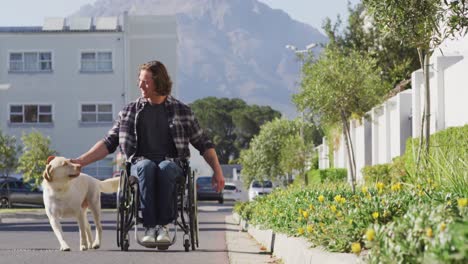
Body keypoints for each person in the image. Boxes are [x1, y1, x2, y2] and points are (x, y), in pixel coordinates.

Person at [72, 60, 225, 244]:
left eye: (146, 81)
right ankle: (150, 227)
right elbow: (108, 142)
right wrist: (80, 161)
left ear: (159, 82)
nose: (140, 85)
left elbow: (204, 144)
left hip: (173, 164)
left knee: (165, 168)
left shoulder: (182, 111)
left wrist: (217, 171)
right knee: (147, 166)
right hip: (139, 164)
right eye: (140, 80)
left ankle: (163, 227)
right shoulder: (130, 111)